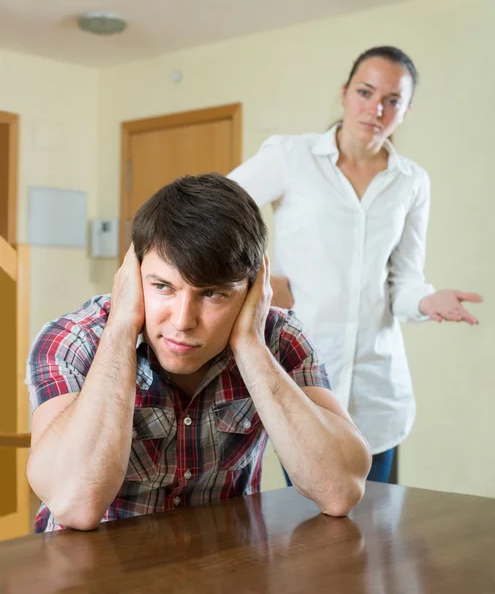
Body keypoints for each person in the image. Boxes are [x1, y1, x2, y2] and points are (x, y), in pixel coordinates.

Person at [25, 173, 371, 533]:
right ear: (132, 275)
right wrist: (121, 331)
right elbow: (74, 505)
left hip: (224, 571)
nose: (182, 320)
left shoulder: (278, 337)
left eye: (212, 294)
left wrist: (250, 346)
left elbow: (340, 491)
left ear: (254, 289)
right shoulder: (73, 339)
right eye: (162, 286)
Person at [228, 46, 483, 484]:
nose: (376, 109)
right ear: (345, 93)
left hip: (378, 391)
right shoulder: (291, 157)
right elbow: (217, 213)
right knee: (311, 528)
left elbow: (403, 284)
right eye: (365, 92)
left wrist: (426, 299)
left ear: (405, 110)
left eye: (392, 100)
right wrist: (259, 282)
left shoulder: (411, 182)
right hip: (303, 377)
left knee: (378, 532)